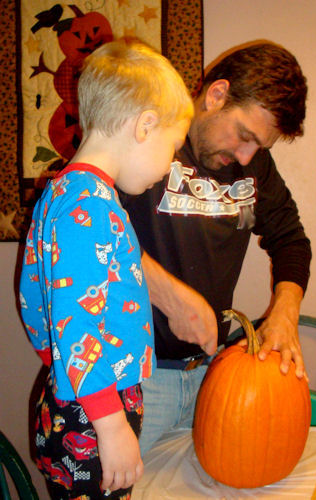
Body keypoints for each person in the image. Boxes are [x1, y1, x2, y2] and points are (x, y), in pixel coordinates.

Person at [19, 39, 193, 499]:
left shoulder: (64, 194)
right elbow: (77, 322)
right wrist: (111, 423)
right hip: (93, 418)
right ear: (145, 126)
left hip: (80, 403)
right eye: (172, 146)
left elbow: (38, 305)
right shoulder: (90, 208)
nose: (170, 164)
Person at [122, 41, 312, 456]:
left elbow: (291, 240)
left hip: (211, 374)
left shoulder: (252, 164)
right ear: (216, 94)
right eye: (244, 136)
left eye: (259, 147)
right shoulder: (146, 136)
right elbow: (86, 224)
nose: (246, 156)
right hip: (132, 378)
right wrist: (170, 297)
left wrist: (285, 311)